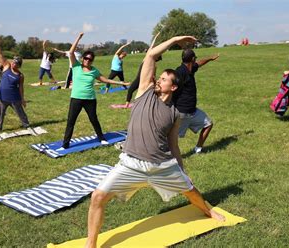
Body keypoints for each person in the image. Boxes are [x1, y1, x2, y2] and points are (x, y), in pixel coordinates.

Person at [85, 35, 225, 248]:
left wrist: (181, 168)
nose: (158, 80)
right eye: (159, 78)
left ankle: (209, 210)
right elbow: (151, 55)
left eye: (164, 79)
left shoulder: (174, 114)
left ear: (174, 88)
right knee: (97, 197)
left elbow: (174, 145)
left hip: (162, 165)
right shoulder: (144, 93)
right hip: (131, 164)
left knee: (190, 190)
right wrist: (176, 39)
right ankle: (91, 243)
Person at [61, 32, 129, 149]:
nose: (87, 60)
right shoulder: (76, 66)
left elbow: (105, 80)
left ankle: (101, 138)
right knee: (71, 121)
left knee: (94, 119)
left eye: (90, 59)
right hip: (76, 99)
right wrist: (79, 37)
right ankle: (65, 144)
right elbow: (71, 52)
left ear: (92, 61)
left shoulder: (94, 71)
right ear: (82, 59)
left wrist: (121, 82)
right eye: (86, 58)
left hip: (90, 99)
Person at [172, 49, 220, 154]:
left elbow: (199, 63)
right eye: (195, 58)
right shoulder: (180, 71)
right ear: (192, 59)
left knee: (208, 124)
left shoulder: (191, 68)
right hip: (182, 113)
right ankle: (162, 155)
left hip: (193, 111)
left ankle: (198, 148)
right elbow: (172, 88)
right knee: (171, 137)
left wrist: (210, 58)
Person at [0, 35, 29, 133]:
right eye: (13, 61)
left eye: (16, 63)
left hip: (14, 98)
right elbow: (0, 54)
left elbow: (21, 88)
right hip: (2, 97)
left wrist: (22, 99)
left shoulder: (20, 75)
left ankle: (26, 124)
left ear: (19, 65)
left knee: (20, 112)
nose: (13, 63)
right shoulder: (6, 67)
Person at [124, 32, 161, 108]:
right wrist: (156, 37)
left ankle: (155, 103)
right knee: (131, 90)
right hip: (139, 79)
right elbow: (151, 47)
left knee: (150, 93)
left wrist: (154, 82)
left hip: (145, 80)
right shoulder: (146, 59)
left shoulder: (154, 65)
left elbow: (153, 75)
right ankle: (127, 105)